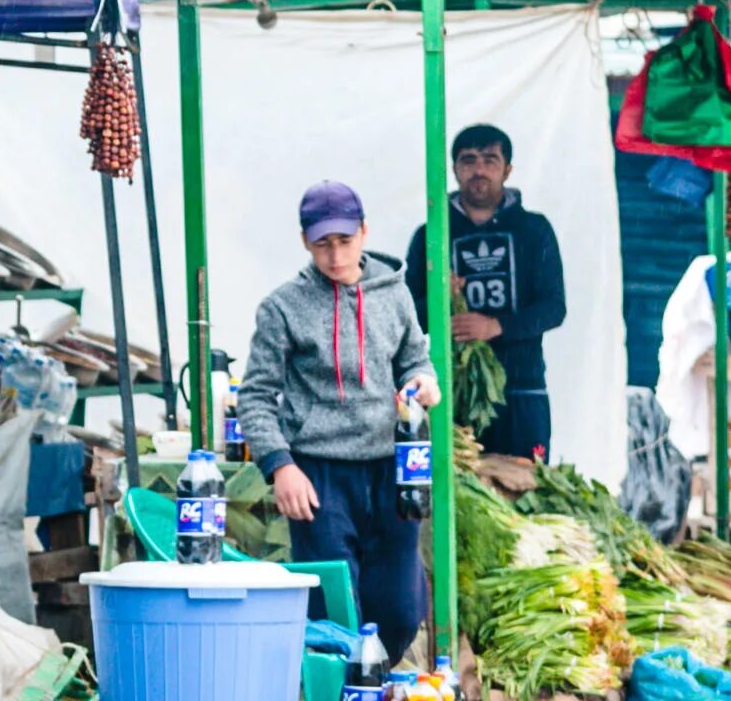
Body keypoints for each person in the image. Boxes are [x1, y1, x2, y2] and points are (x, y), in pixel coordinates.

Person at [234, 181, 442, 660]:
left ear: (364, 233)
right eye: (323, 243)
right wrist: (280, 466)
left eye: (345, 241)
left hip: (393, 470)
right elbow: (256, 396)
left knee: (401, 607)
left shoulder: (396, 294)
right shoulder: (282, 308)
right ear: (305, 240)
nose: (335, 255)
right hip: (319, 475)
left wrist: (423, 383)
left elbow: (415, 360)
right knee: (333, 606)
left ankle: (376, 698)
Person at [404, 123, 565, 461]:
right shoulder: (430, 236)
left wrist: (496, 326)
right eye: (468, 160)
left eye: (490, 160)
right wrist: (440, 301)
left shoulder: (534, 230)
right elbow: (405, 317)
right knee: (463, 494)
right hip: (453, 392)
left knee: (526, 487)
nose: (479, 169)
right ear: (454, 169)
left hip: (522, 389)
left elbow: (553, 308)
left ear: (507, 169)